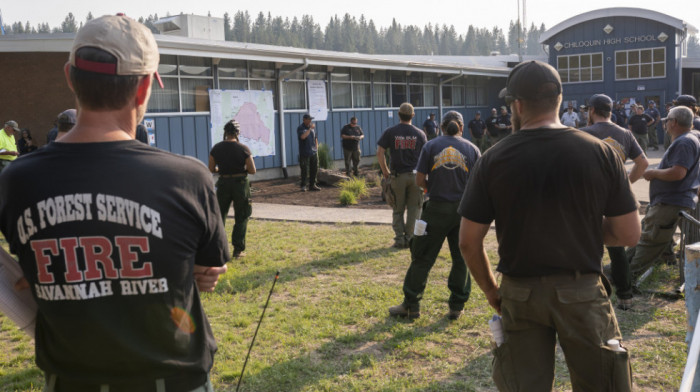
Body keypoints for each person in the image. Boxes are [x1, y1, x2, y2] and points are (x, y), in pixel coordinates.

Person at [0, 15, 229, 391]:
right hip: (173, 381)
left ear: (70, 77)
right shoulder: (188, 179)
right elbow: (206, 274)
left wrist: (43, 266)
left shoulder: (17, 181)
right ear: (143, 89)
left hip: (69, 382)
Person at [458, 60, 640, 391]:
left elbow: (469, 241)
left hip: (519, 292)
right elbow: (628, 233)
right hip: (582, 290)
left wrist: (490, 291)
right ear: (560, 100)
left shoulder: (492, 160)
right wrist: (582, 227)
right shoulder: (601, 153)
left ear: (517, 104)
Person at [388, 111, 480, 320]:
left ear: (442, 127)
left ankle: (411, 305)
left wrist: (434, 188)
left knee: (422, 257)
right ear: (462, 127)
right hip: (463, 211)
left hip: (436, 209)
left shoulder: (431, 146)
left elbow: (420, 180)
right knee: (461, 259)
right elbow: (478, 184)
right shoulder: (473, 149)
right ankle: (457, 306)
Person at [581, 93, 649, 310]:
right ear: (611, 111)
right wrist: (625, 184)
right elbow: (643, 164)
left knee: (589, 247)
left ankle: (594, 296)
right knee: (617, 248)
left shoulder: (581, 134)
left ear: (591, 110)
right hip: (615, 199)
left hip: (587, 198)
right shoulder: (625, 134)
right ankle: (625, 297)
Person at [624, 106, 700, 298]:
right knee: (645, 235)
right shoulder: (687, 140)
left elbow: (678, 173)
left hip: (670, 202)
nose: (665, 124)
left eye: (667, 121)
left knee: (651, 241)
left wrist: (653, 173)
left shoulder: (684, 142)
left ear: (674, 122)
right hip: (668, 200)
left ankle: (626, 278)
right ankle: (619, 269)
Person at [377, 102, 427, 248]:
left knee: (398, 209)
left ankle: (399, 240)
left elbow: (380, 152)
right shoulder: (420, 134)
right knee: (414, 209)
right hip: (415, 177)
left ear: (399, 115)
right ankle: (410, 239)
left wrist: (386, 172)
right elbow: (426, 157)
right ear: (413, 115)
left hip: (397, 176)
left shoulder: (390, 132)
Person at [209, 120, 256, 259]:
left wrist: (222, 168)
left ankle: (218, 250)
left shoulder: (216, 148)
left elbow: (211, 169)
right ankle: (238, 250)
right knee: (241, 216)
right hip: (240, 183)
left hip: (223, 183)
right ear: (237, 133)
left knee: (219, 216)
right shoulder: (244, 149)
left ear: (225, 133)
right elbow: (252, 170)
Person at [298, 114, 320, 192]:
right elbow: (303, 137)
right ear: (304, 120)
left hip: (313, 152)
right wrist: (310, 129)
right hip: (305, 152)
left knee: (314, 168)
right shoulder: (301, 128)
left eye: (311, 119)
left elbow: (315, 138)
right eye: (308, 119)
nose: (310, 121)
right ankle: (303, 185)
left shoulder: (312, 129)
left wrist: (316, 148)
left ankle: (312, 184)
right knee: (305, 170)